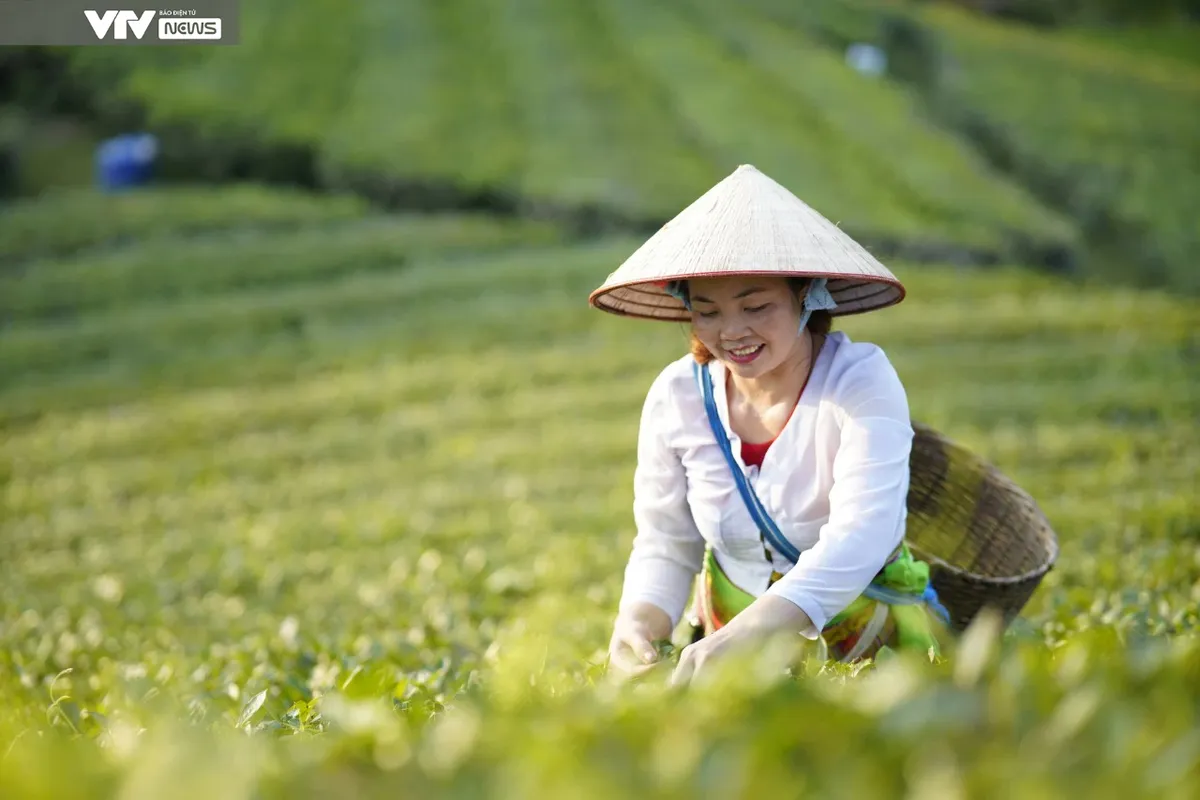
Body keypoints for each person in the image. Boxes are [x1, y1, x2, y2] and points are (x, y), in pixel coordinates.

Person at [588, 165, 951, 686]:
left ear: (807, 295)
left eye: (756, 306)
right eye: (707, 312)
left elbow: (863, 532)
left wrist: (753, 631)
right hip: (721, 650)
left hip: (870, 647)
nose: (732, 332)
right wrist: (638, 624)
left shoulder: (860, 380)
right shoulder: (678, 396)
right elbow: (666, 542)